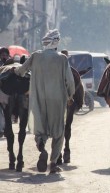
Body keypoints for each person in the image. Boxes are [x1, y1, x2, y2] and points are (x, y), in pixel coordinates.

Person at [12, 29, 75, 173]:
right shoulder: (62, 59)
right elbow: (70, 81)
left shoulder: (35, 56)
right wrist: (70, 96)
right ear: (56, 42)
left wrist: (12, 71)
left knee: (40, 128)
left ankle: (42, 147)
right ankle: (53, 163)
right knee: (58, 132)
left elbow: (21, 71)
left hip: (38, 98)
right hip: (58, 100)